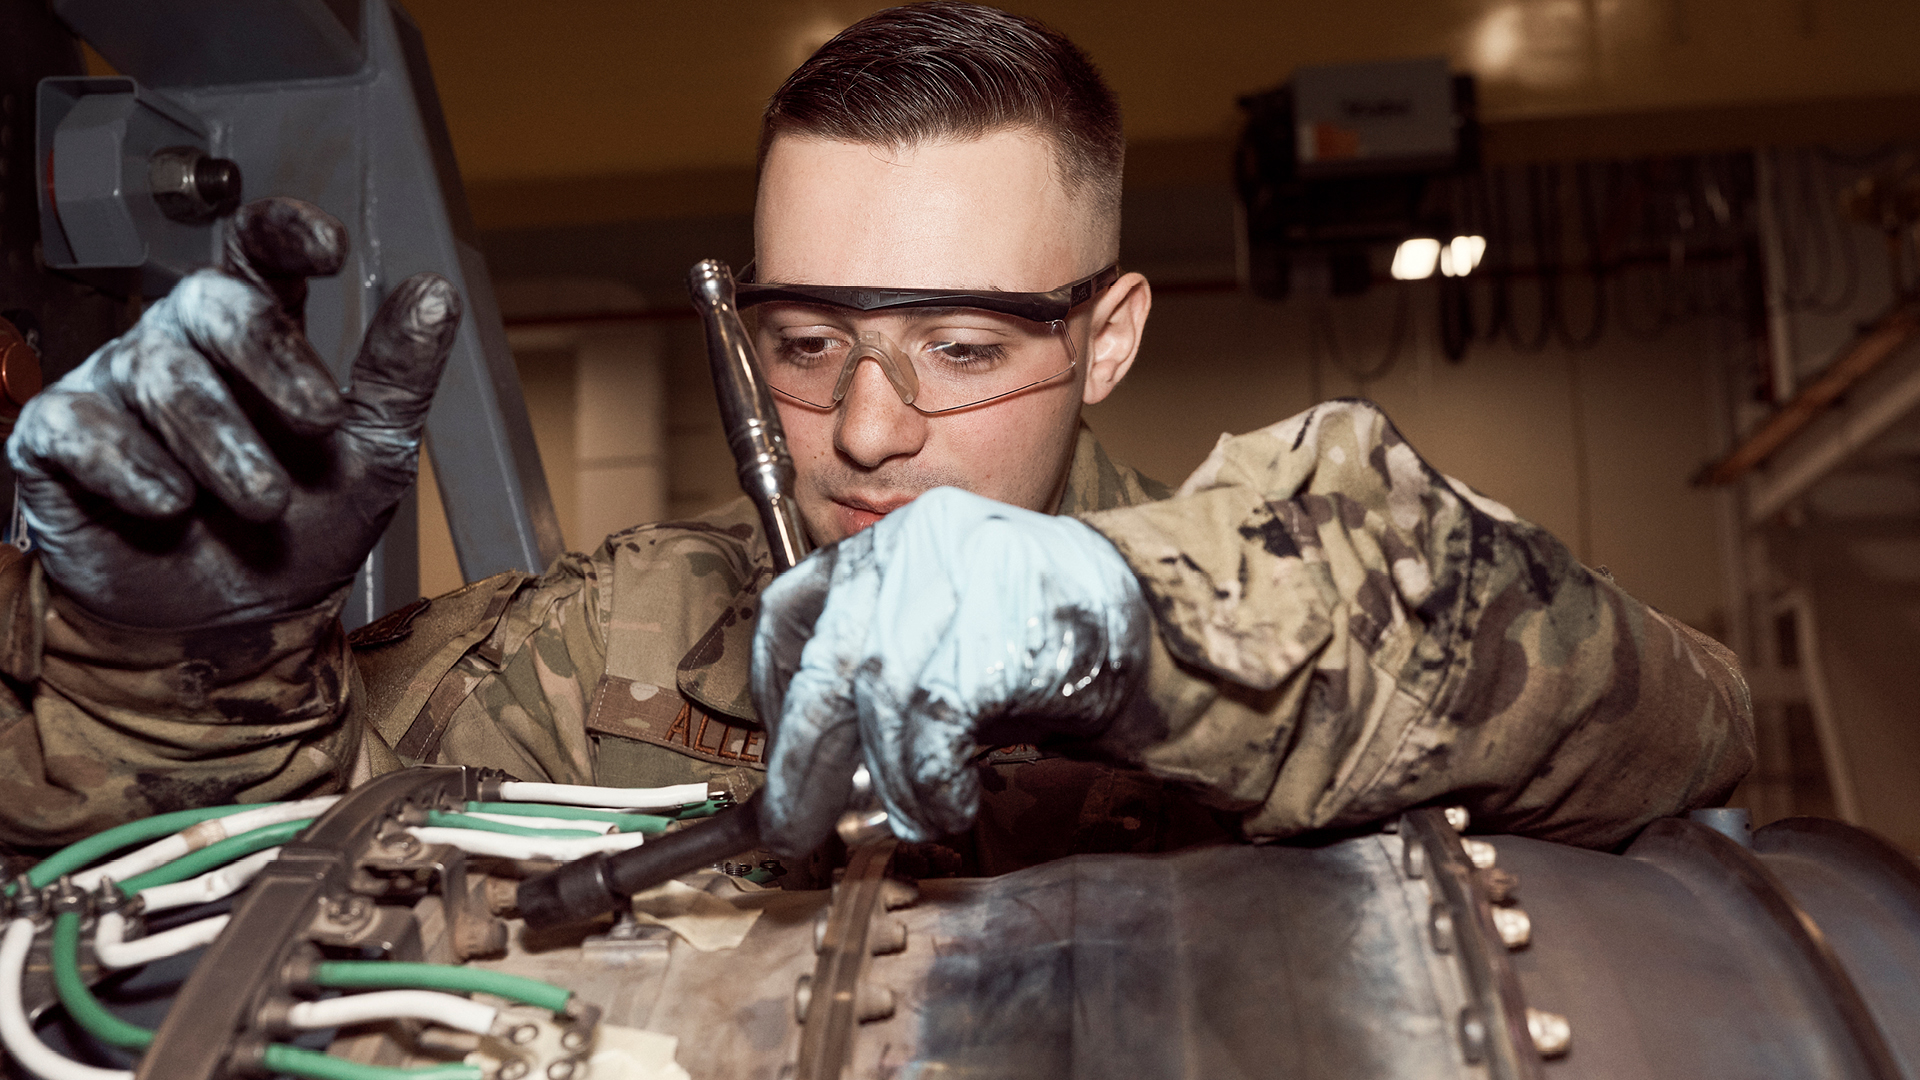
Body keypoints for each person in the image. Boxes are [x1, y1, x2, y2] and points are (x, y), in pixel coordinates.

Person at [0, 3, 1751, 876]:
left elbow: (1685, 720)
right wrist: (188, 659)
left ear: (1112, 337)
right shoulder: (610, 649)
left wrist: (1148, 641)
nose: (860, 429)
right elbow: (191, 890)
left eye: (964, 347)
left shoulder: (1311, 622)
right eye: (807, 340)